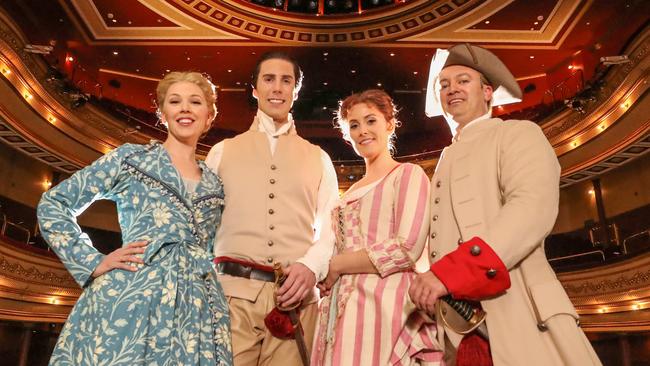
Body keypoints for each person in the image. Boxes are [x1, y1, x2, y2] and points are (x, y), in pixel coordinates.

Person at [408, 43, 602, 365]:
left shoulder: (518, 133)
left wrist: (451, 274)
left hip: (520, 311)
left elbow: (532, 208)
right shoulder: (444, 160)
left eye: (462, 80)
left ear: (487, 92)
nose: (451, 89)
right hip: (463, 328)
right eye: (444, 85)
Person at [38, 71, 232, 365]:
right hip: (132, 298)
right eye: (174, 101)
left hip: (197, 311)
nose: (185, 108)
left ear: (208, 117)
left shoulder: (215, 184)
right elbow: (53, 204)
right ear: (162, 113)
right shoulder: (131, 159)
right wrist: (93, 261)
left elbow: (214, 248)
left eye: (195, 102)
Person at [205, 51, 338, 365]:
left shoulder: (319, 157)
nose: (277, 88)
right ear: (255, 89)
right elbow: (201, 227)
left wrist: (309, 267)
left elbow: (333, 227)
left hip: (295, 303)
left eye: (286, 80)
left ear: (295, 91)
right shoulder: (221, 152)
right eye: (269, 79)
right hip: (230, 297)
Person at [311, 89, 443, 366]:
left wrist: (337, 265)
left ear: (389, 124)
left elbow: (407, 247)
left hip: (387, 304)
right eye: (354, 126)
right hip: (341, 307)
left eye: (371, 121)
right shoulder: (347, 194)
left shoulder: (407, 174)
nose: (363, 131)